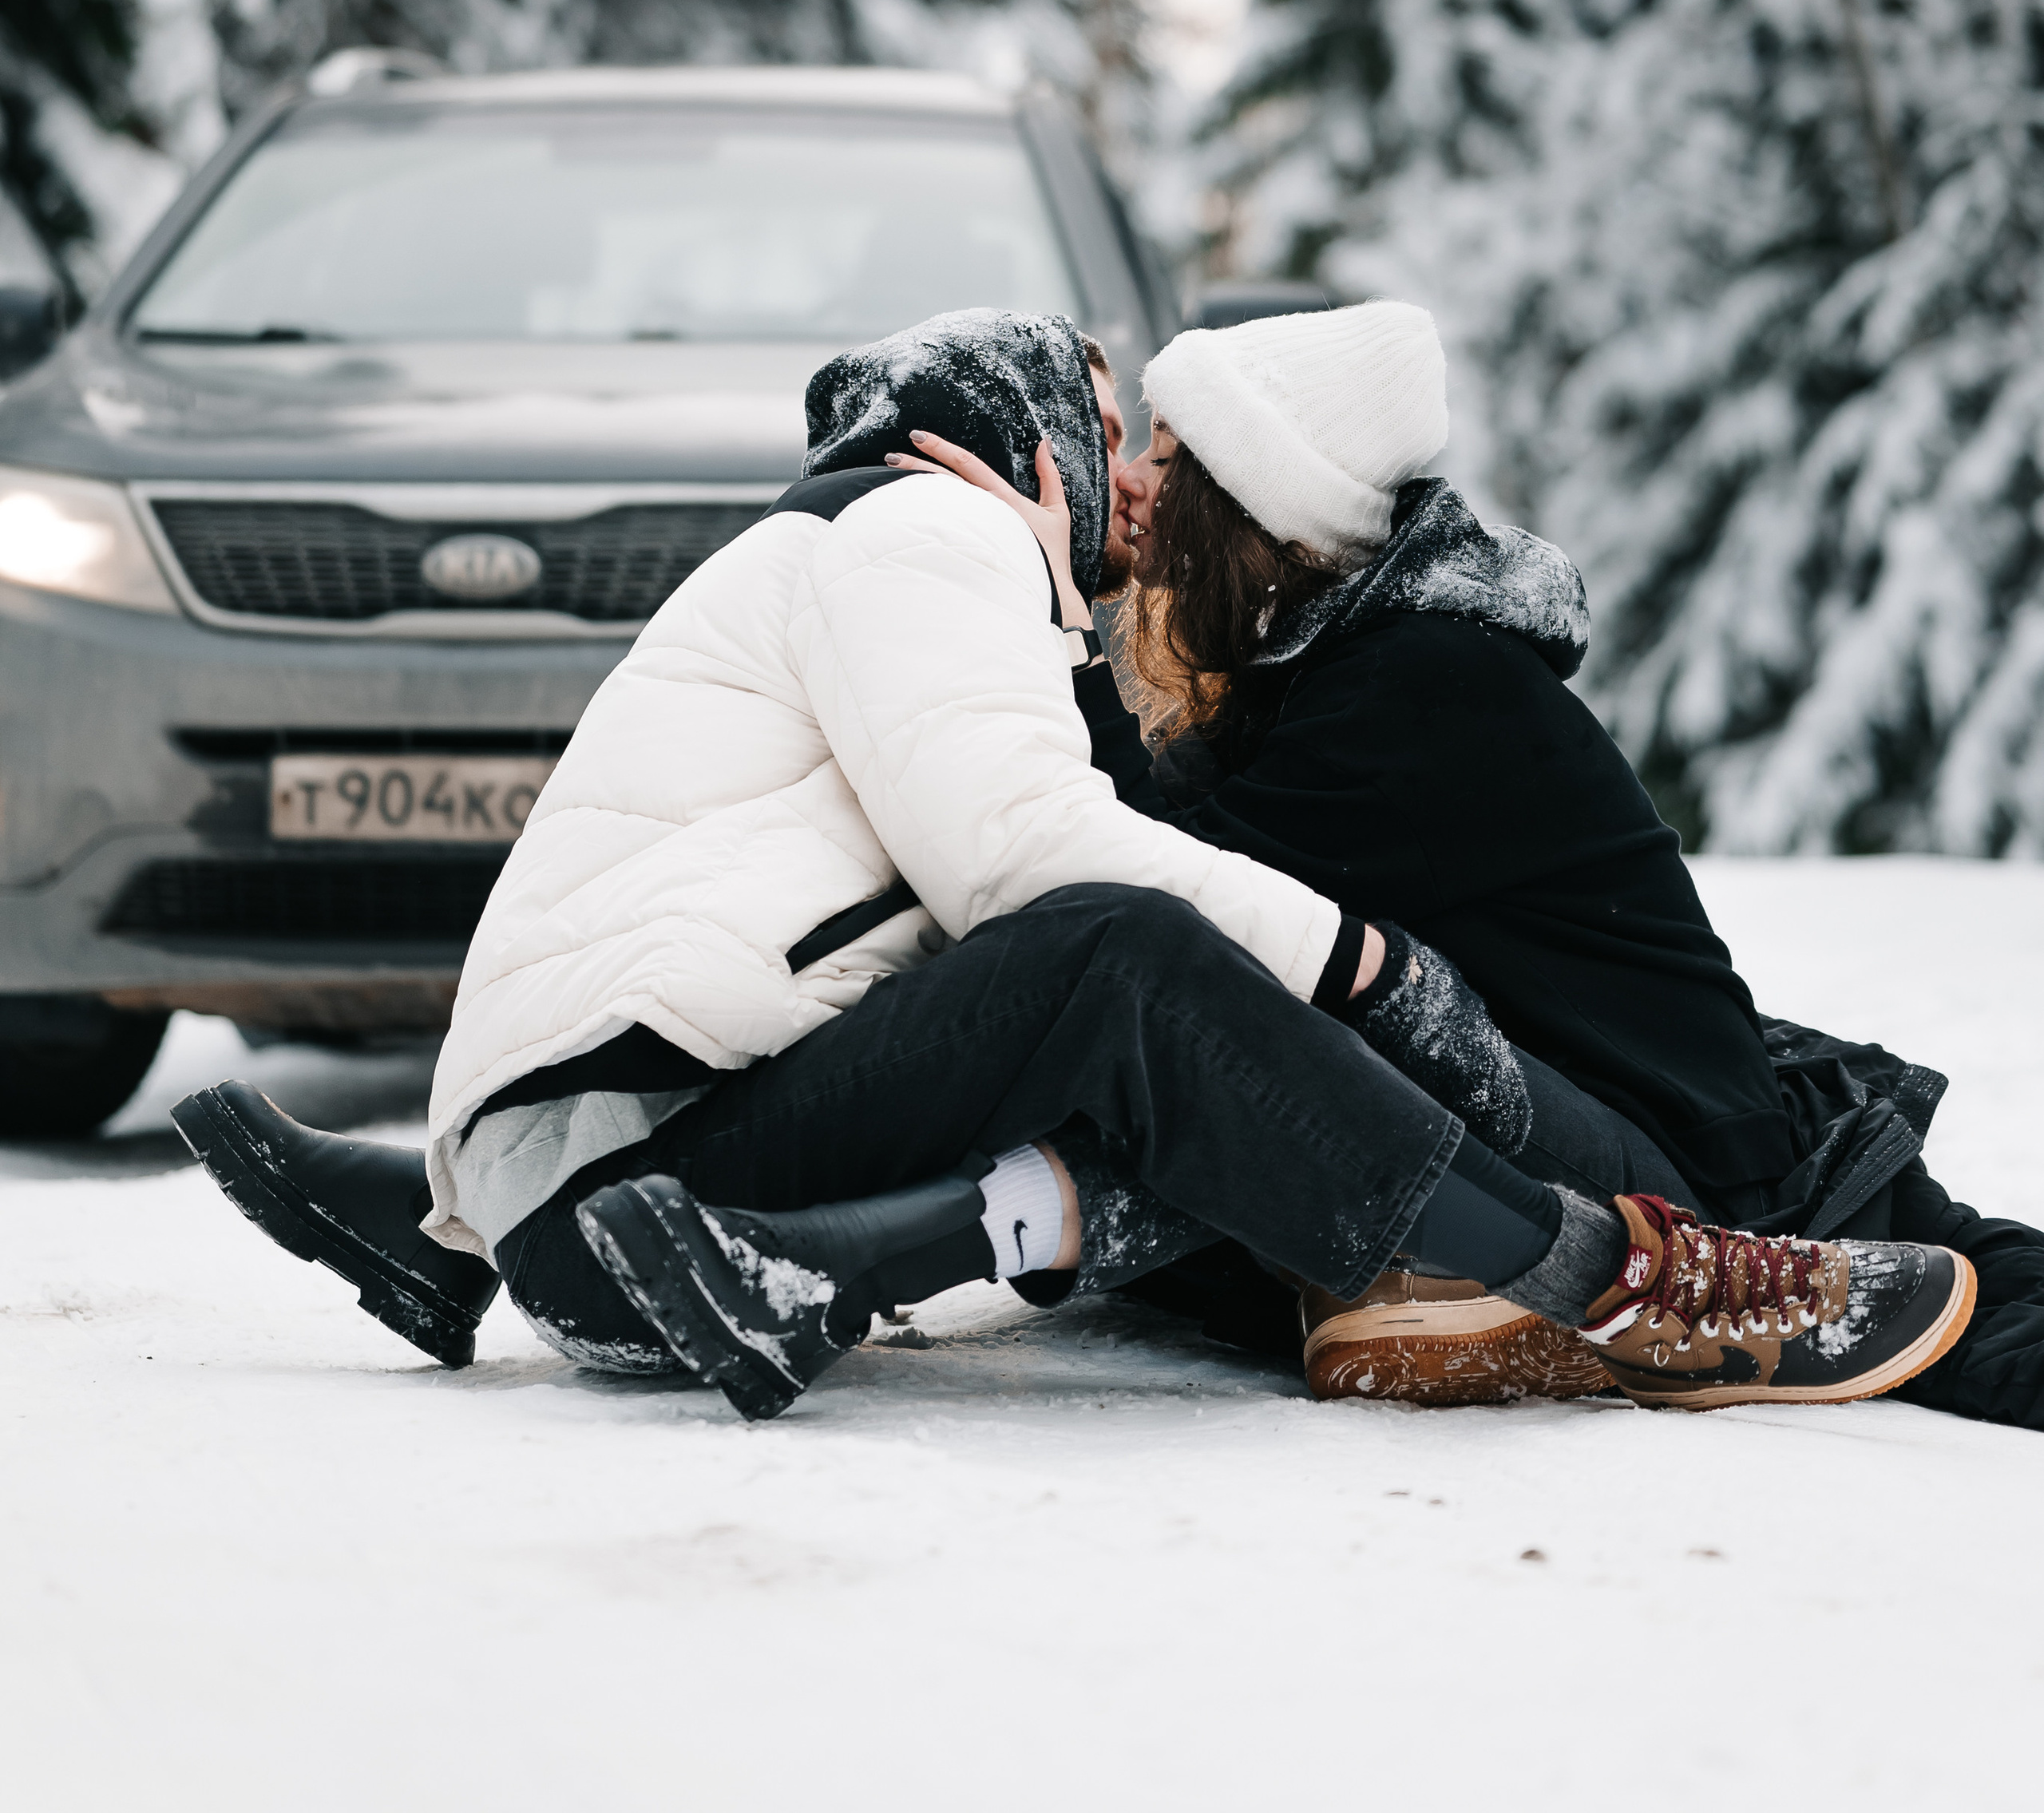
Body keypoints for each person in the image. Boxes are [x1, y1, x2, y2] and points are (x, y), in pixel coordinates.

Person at [172, 306, 1970, 1422]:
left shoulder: (883, 562)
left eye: (1158, 461)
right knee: (1131, 960)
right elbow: (1037, 859)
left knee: (1141, 979)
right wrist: (1361, 963)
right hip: (643, 1198)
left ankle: (704, 1254)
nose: (1124, 493)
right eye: (1105, 436)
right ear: (1018, 435)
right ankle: (1618, 1284)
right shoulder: (926, 534)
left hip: (619, 1200)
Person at [962, 295, 2038, 1433]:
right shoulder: (1338, 663)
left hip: (1692, 1200)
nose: (1132, 484)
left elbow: (1158, 893)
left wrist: (1065, 624)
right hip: (1619, 1109)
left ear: (1258, 502)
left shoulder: (1414, 683)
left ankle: (1536, 1305)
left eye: (1170, 464)